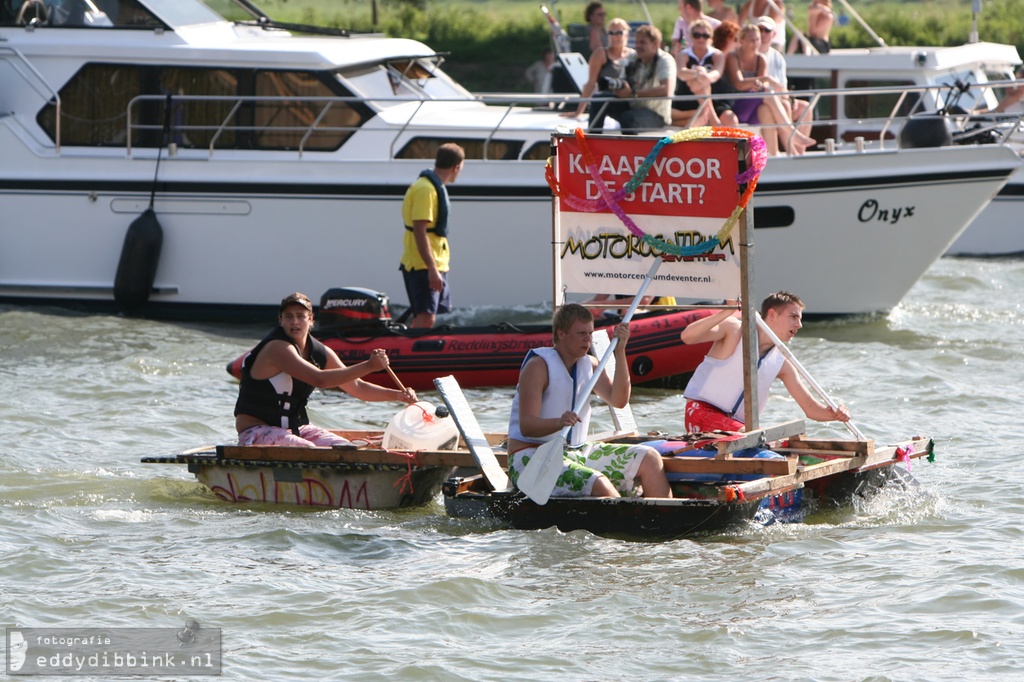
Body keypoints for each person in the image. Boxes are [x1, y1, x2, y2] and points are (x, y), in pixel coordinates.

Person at [507, 303, 672, 498]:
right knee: (599, 483)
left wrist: (620, 352)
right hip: (532, 458)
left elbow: (619, 400)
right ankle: (628, 525)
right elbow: (527, 426)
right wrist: (558, 422)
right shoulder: (538, 367)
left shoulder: (590, 365)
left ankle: (664, 522)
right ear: (561, 334)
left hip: (577, 452)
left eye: (590, 333)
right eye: (581, 334)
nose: (588, 339)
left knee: (650, 458)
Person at [234, 292, 418, 447]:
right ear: (280, 320)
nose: (295, 321)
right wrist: (370, 366)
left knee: (345, 449)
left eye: (300, 316)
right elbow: (319, 379)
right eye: (288, 316)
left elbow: (358, 387)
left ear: (311, 320)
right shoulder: (277, 348)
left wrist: (398, 395)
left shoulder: (320, 352)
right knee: (307, 450)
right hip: (256, 432)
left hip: (296, 429)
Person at [679, 292, 851, 433]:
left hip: (739, 428)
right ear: (772, 315)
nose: (799, 325)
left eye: (799, 319)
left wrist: (836, 414)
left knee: (781, 443)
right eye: (793, 317)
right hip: (701, 412)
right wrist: (726, 311)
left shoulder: (782, 363)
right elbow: (687, 337)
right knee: (758, 437)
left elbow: (810, 408)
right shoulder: (734, 330)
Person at [399, 142, 465, 328]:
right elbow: (420, 230)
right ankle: (413, 353)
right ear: (456, 167)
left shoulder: (430, 186)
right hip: (422, 264)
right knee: (426, 317)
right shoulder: (426, 189)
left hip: (432, 262)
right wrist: (431, 268)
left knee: (428, 314)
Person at [588, 24, 675, 134]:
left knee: (628, 118)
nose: (638, 46)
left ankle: (629, 149)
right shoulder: (633, 58)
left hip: (656, 114)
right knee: (598, 99)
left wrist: (633, 93)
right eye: (636, 42)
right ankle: (591, 141)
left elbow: (666, 90)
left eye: (642, 42)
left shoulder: (665, 60)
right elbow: (623, 83)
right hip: (633, 107)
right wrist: (619, 88)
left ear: (655, 44)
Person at [755, 16, 815, 154]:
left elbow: (783, 86)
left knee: (805, 108)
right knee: (784, 105)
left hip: (779, 97)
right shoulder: (753, 55)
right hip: (763, 101)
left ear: (773, 34)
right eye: (760, 30)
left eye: (767, 30)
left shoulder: (777, 57)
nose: (763, 34)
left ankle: (800, 153)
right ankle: (791, 150)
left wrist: (788, 97)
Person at [562, 17, 633, 119]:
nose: (615, 37)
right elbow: (590, 84)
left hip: (630, 103)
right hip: (606, 103)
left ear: (627, 34)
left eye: (619, 33)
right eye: (611, 33)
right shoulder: (600, 54)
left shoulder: (633, 55)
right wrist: (578, 112)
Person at [672, 18, 724, 127]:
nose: (701, 38)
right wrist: (697, 73)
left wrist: (701, 75)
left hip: (714, 99)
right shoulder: (683, 54)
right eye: (697, 35)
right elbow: (681, 73)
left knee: (731, 119)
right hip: (687, 100)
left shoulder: (718, 55)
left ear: (711, 37)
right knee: (695, 79)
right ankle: (713, 119)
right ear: (691, 36)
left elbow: (716, 75)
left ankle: (708, 115)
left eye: (705, 35)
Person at [710, 20, 742, 125]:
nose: (738, 44)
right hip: (718, 105)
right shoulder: (714, 58)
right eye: (735, 39)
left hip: (726, 104)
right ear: (726, 38)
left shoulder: (732, 59)